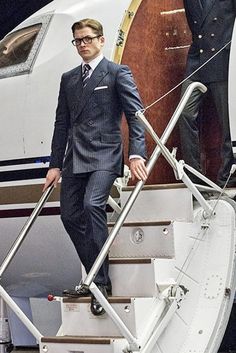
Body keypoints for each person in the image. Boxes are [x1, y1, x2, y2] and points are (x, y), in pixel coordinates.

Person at [43, 18, 147, 316]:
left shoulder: (116, 73)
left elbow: (135, 115)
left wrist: (136, 154)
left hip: (104, 154)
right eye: (77, 41)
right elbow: (61, 123)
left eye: (88, 39)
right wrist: (53, 164)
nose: (83, 44)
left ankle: (99, 283)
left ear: (101, 40)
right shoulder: (68, 78)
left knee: (93, 205)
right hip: (74, 158)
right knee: (69, 215)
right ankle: (93, 271)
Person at [179, 0, 236, 187]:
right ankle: (194, 178)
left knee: (227, 122)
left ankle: (227, 177)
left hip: (224, 58)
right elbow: (193, 25)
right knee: (184, 113)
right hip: (197, 59)